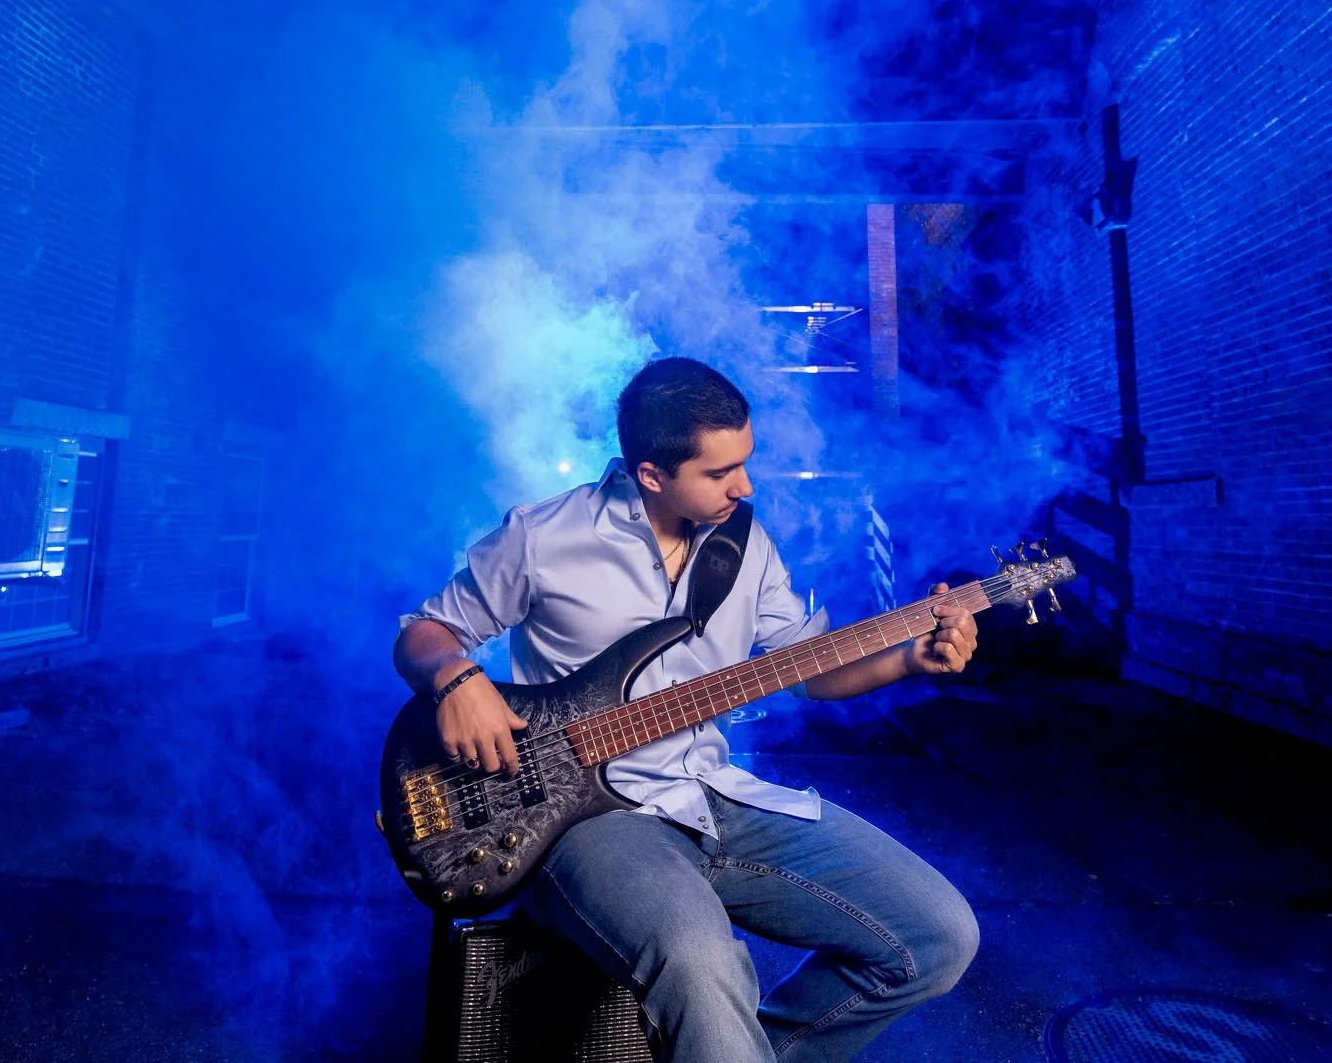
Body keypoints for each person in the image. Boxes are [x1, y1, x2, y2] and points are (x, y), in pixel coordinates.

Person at [395, 356, 981, 1062]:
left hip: (711, 794)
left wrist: (909, 657)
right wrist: (455, 676)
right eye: (719, 472)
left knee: (938, 934)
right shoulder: (543, 537)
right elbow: (424, 633)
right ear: (652, 474)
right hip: (581, 817)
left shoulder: (744, 542)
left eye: (746, 461)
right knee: (702, 961)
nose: (746, 485)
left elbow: (810, 665)